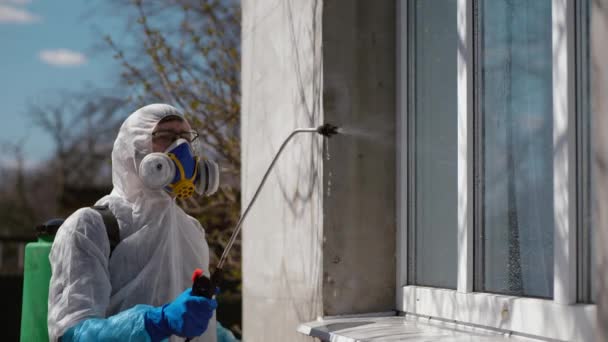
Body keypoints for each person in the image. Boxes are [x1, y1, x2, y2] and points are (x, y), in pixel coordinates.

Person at [47, 104, 237, 342]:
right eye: (166, 136)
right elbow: (74, 333)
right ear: (133, 149)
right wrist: (155, 322)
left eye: (185, 138)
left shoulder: (191, 230)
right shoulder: (89, 226)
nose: (181, 148)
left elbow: (196, 321)